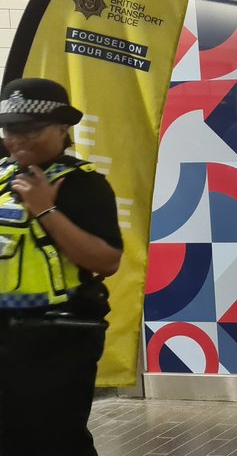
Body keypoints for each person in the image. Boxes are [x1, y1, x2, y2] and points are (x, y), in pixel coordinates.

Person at [0, 78, 124, 456]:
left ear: (62, 128)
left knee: (54, 441)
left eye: (31, 129)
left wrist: (45, 209)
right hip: (5, 338)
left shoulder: (84, 185)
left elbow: (107, 260)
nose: (18, 139)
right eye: (9, 130)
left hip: (56, 341)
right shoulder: (4, 175)